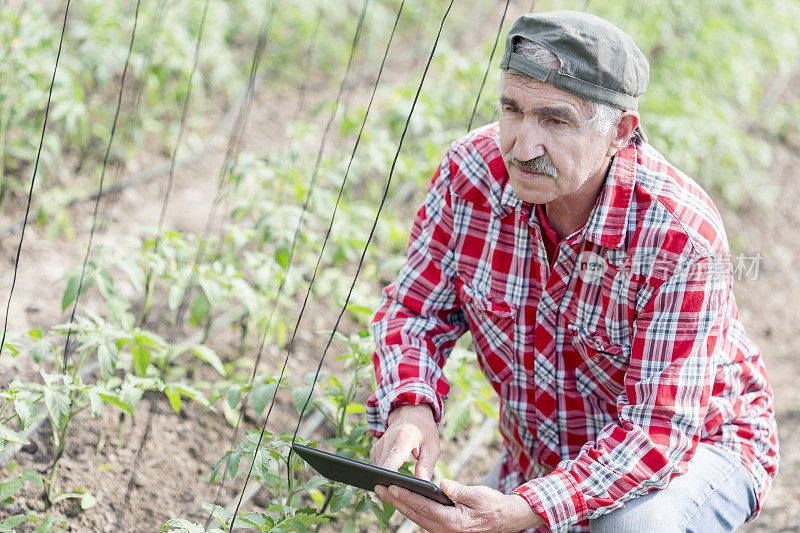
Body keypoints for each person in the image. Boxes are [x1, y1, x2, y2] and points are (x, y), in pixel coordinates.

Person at [366, 10, 778, 533]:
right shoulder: (469, 175)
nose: (522, 145)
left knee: (632, 529)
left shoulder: (678, 234)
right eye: (512, 110)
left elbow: (658, 432)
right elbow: (414, 312)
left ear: (619, 133)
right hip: (545, 466)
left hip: (699, 450)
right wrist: (410, 408)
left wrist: (524, 510)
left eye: (555, 120)